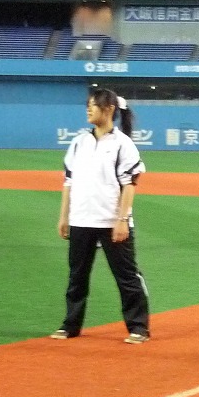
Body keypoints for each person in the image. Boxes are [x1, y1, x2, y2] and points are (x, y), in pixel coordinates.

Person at [53, 88, 151, 344]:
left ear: (109, 109)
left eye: (94, 105)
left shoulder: (123, 144)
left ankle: (138, 327)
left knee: (127, 277)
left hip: (111, 221)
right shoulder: (79, 142)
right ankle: (71, 325)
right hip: (81, 220)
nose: (88, 109)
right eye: (88, 104)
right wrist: (64, 217)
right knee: (77, 276)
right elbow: (68, 182)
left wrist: (122, 220)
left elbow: (129, 184)